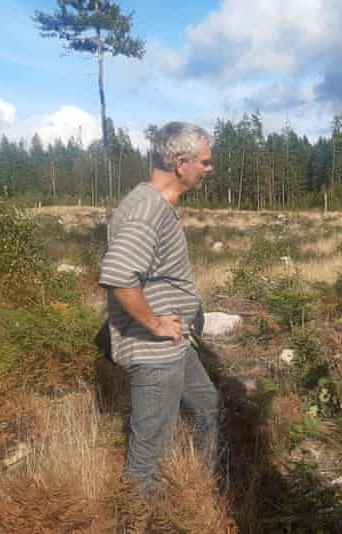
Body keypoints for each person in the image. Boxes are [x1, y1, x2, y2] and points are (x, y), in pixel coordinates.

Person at [99, 122, 219, 493]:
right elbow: (119, 275)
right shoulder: (145, 211)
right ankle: (138, 517)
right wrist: (154, 324)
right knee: (149, 451)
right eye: (204, 161)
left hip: (174, 343)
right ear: (182, 163)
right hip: (155, 351)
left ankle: (199, 486)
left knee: (205, 406)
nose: (209, 168)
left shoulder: (157, 205)